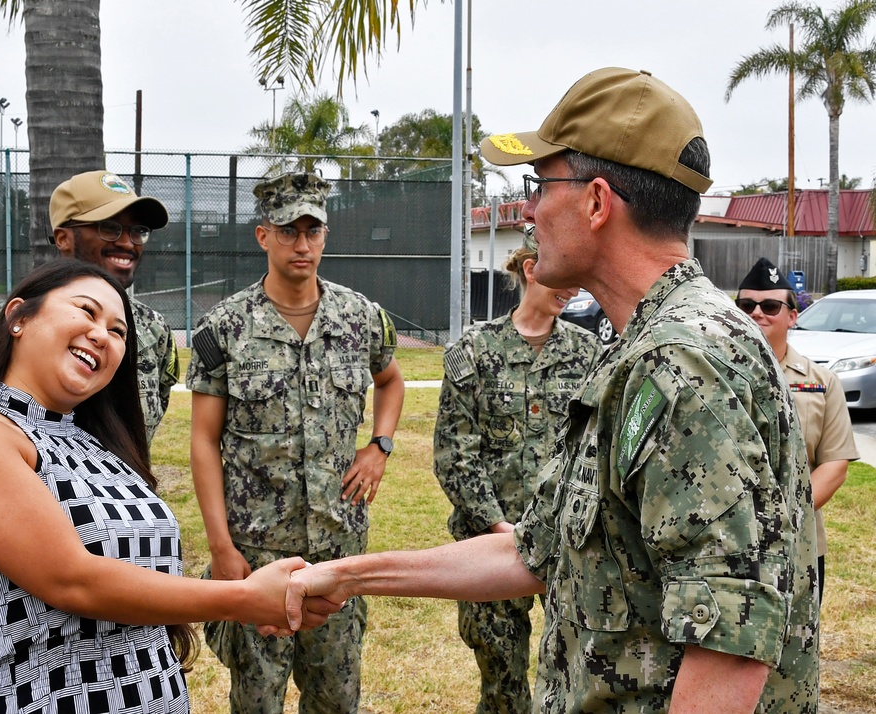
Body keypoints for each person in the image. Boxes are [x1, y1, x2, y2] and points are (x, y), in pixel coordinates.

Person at [284, 67, 818, 713]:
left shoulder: (682, 360)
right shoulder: (642, 348)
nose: (530, 210)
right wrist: (344, 575)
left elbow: (728, 642)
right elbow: (534, 549)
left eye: (541, 185)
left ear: (596, 202)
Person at [0, 259, 334, 713]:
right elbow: (74, 581)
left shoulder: (96, 444)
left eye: (118, 331)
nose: (103, 335)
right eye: (86, 311)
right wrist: (243, 599)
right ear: (19, 317)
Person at [186, 171, 405, 713]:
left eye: (313, 229)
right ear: (263, 236)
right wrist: (221, 550)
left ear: (326, 235)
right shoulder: (226, 328)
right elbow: (202, 441)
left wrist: (379, 445)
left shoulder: (360, 319)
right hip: (257, 552)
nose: (302, 244)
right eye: (288, 230)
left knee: (336, 699)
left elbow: (391, 380)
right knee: (257, 701)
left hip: (337, 551)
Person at [433, 230, 600, 713]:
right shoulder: (476, 350)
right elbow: (453, 453)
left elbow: (592, 448)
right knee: (502, 677)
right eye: (562, 280)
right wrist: (498, 524)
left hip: (567, 543)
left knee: (575, 670)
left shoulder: (588, 353)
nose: (571, 291)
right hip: (491, 544)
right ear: (531, 270)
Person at [0, 170, 179, 443]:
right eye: (109, 228)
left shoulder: (153, 329)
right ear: (63, 238)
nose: (126, 243)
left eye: (138, 231)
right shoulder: (1, 327)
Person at [737, 256, 857, 603]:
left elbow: (835, 464)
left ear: (792, 316)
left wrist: (782, 518)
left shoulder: (821, 382)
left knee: (794, 647)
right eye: (747, 305)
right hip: (721, 543)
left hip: (798, 541)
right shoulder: (711, 374)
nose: (757, 313)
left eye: (770, 306)